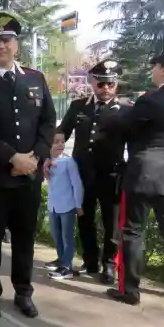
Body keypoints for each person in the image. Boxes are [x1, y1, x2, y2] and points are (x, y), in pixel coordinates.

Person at [0, 12, 56, 320]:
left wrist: (34, 158)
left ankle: (23, 292)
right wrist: (12, 158)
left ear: (16, 44)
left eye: (7, 40)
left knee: (24, 237)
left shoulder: (35, 79)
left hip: (28, 177)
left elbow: (48, 122)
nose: (1, 45)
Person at [107, 49, 164, 305]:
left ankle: (129, 291)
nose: (152, 70)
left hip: (143, 174)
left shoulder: (150, 100)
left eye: (155, 65)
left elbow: (124, 126)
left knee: (132, 231)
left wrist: (117, 113)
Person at [53, 60, 132, 284]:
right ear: (92, 83)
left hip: (111, 175)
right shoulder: (79, 106)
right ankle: (90, 261)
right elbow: (63, 131)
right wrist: (56, 146)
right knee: (85, 219)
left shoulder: (126, 111)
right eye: (101, 84)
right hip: (82, 175)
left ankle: (109, 265)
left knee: (111, 224)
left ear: (116, 84)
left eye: (110, 84)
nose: (105, 88)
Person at [46, 133, 84, 279]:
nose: (60, 144)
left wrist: (78, 205)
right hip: (53, 205)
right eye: (56, 142)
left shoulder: (69, 161)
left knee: (67, 236)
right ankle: (61, 259)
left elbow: (77, 184)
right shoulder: (47, 162)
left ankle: (67, 267)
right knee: (56, 236)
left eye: (62, 141)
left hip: (67, 205)